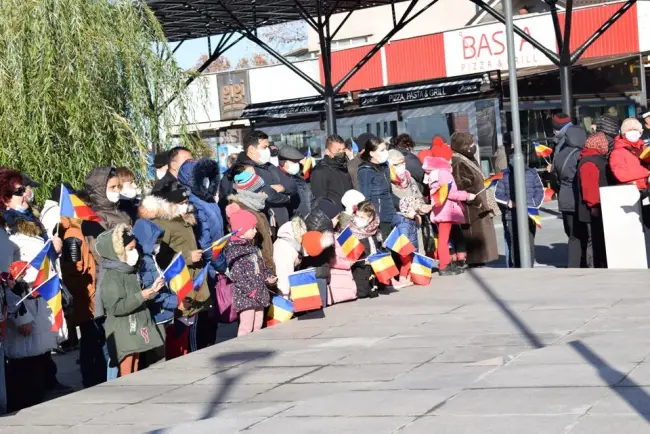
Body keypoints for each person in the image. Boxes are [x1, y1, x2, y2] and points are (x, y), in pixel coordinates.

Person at [1, 170, 71, 393]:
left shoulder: (31, 219)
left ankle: (49, 382)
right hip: (24, 301)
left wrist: (54, 250)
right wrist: (21, 316)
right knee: (25, 367)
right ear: (4, 198)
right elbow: (6, 278)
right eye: (18, 191)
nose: (26, 194)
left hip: (41, 297)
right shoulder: (6, 229)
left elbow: (38, 259)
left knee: (42, 351)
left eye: (24, 189)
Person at [138, 182, 208, 355]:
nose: (184, 205)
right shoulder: (163, 224)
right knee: (180, 332)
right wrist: (187, 257)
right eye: (180, 203)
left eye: (185, 201)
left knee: (192, 329)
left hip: (193, 278)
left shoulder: (183, 219)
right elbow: (159, 255)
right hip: (179, 281)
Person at [97, 223, 164, 377]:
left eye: (135, 248)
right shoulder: (112, 276)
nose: (135, 253)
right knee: (126, 371)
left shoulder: (129, 271)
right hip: (122, 329)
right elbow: (116, 307)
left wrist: (153, 290)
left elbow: (135, 296)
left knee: (134, 366)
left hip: (133, 327)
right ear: (119, 251)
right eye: (130, 249)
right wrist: (144, 295)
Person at [4, 262, 58, 412]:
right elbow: (10, 296)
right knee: (25, 386)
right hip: (21, 350)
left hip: (33, 346)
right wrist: (22, 319)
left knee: (35, 382)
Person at [132, 219, 177, 367]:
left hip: (161, 313)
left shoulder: (150, 257)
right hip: (155, 315)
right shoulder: (144, 262)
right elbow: (153, 291)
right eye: (155, 240)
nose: (158, 244)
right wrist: (176, 302)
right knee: (157, 357)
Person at [450, 132, 499, 267]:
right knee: (475, 237)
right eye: (470, 144)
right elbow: (462, 185)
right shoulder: (458, 161)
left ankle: (478, 260)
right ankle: (474, 260)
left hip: (478, 205)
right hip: (472, 208)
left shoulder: (467, 158)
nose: (473, 146)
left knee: (483, 237)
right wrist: (477, 203)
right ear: (462, 145)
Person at [223, 210, 275, 337]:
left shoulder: (253, 249)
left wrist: (268, 276)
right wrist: (251, 291)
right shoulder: (234, 251)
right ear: (241, 231)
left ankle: (256, 348)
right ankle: (243, 348)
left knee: (258, 324)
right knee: (246, 326)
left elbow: (261, 267)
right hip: (246, 296)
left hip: (259, 292)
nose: (255, 231)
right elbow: (237, 275)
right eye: (252, 228)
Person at [423, 156, 475, 275]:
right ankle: (444, 265)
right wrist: (466, 195)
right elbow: (451, 193)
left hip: (440, 209)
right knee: (444, 239)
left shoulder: (433, 174)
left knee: (443, 238)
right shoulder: (444, 173)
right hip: (447, 210)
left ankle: (445, 263)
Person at [236, 131, 297, 231]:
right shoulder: (243, 169)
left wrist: (278, 189)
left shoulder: (268, 166)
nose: (268, 150)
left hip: (280, 224)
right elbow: (268, 195)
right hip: (262, 226)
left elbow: (292, 186)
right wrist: (287, 197)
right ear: (251, 149)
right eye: (264, 147)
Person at [495, 147, 544, 268]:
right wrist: (509, 202)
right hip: (512, 215)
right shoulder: (505, 175)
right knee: (515, 243)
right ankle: (517, 268)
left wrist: (533, 204)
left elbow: (540, 190)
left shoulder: (532, 173)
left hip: (530, 214)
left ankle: (528, 267)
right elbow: (498, 195)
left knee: (529, 243)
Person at [550, 113, 589, 268]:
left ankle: (573, 266)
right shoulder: (586, 154)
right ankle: (588, 263)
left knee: (573, 235)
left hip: (566, 199)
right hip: (583, 199)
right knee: (587, 235)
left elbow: (555, 179)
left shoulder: (560, 155)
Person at [226, 164, 275, 273]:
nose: (263, 193)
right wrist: (267, 269)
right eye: (259, 190)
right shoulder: (243, 211)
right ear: (250, 192)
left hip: (266, 266)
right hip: (257, 270)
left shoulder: (256, 207)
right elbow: (250, 245)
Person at [575, 131, 611, 268]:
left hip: (597, 207)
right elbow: (590, 188)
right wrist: (594, 206)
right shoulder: (590, 162)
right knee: (594, 240)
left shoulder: (592, 159)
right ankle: (594, 267)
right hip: (593, 209)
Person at [274, 217, 332, 299]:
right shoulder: (286, 251)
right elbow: (283, 282)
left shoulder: (293, 243)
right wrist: (286, 301)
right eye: (307, 253)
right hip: (282, 294)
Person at [357, 135, 398, 239]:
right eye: (382, 150)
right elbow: (366, 198)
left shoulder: (384, 167)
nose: (386, 152)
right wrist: (372, 219)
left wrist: (403, 203)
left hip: (391, 214)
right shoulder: (365, 171)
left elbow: (389, 193)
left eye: (386, 149)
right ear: (371, 153)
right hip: (379, 219)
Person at [302, 199, 342, 306]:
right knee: (319, 304)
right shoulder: (324, 230)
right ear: (329, 216)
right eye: (337, 218)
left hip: (313, 271)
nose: (338, 221)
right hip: (318, 271)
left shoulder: (313, 224)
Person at [347, 200, 386, 298]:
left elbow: (379, 247)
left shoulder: (376, 229)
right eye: (357, 216)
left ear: (370, 218)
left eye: (362, 217)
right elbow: (350, 256)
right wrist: (363, 262)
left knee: (377, 290)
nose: (358, 219)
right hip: (359, 271)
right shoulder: (351, 231)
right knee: (362, 293)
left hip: (375, 270)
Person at [392, 196, 432, 283]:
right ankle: (403, 278)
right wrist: (407, 249)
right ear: (408, 210)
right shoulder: (403, 223)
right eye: (414, 211)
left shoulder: (409, 220)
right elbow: (403, 237)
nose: (415, 213)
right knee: (406, 264)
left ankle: (409, 278)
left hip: (411, 247)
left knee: (410, 263)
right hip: (406, 249)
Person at [310, 135, 354, 205]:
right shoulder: (320, 171)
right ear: (327, 151)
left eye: (343, 149)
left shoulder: (344, 166)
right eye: (338, 150)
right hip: (333, 213)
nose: (341, 153)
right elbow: (319, 199)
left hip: (348, 211)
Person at [279, 146, 312, 218]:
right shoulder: (277, 180)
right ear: (285, 162)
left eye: (298, 161)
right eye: (294, 162)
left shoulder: (300, 180)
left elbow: (310, 199)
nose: (297, 164)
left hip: (306, 220)